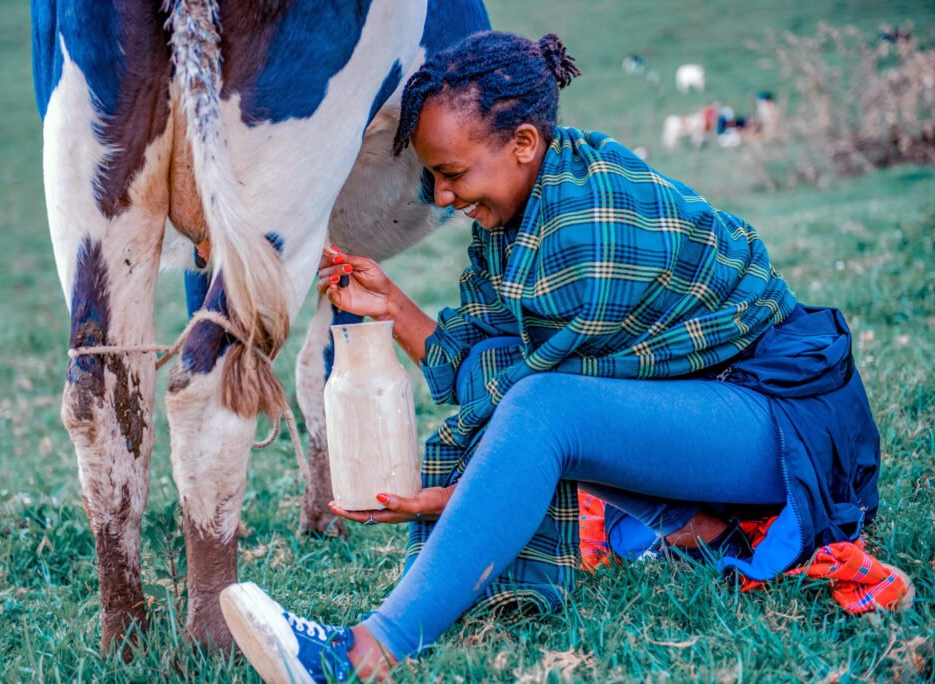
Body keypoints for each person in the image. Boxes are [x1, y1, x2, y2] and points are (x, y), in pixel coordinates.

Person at [218, 31, 895, 683]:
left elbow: (533, 413)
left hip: (788, 424)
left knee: (545, 407)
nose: (446, 198)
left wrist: (454, 500)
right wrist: (393, 305)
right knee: (543, 406)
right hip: (722, 412)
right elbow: (482, 362)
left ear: (522, 143)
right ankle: (701, 527)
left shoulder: (578, 232)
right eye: (435, 180)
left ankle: (360, 655)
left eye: (452, 174)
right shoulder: (521, 217)